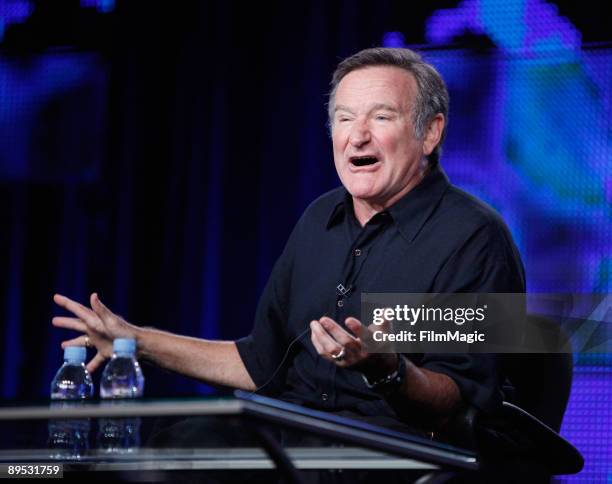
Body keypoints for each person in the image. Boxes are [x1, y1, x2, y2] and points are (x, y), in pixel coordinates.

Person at [52, 47, 524, 436]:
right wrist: (137, 342)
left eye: (381, 117)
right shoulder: (319, 219)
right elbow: (260, 365)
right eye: (344, 119)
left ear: (430, 133)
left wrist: (386, 367)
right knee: (180, 439)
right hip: (297, 437)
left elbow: (456, 400)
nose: (357, 136)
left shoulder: (474, 239)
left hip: (396, 453)